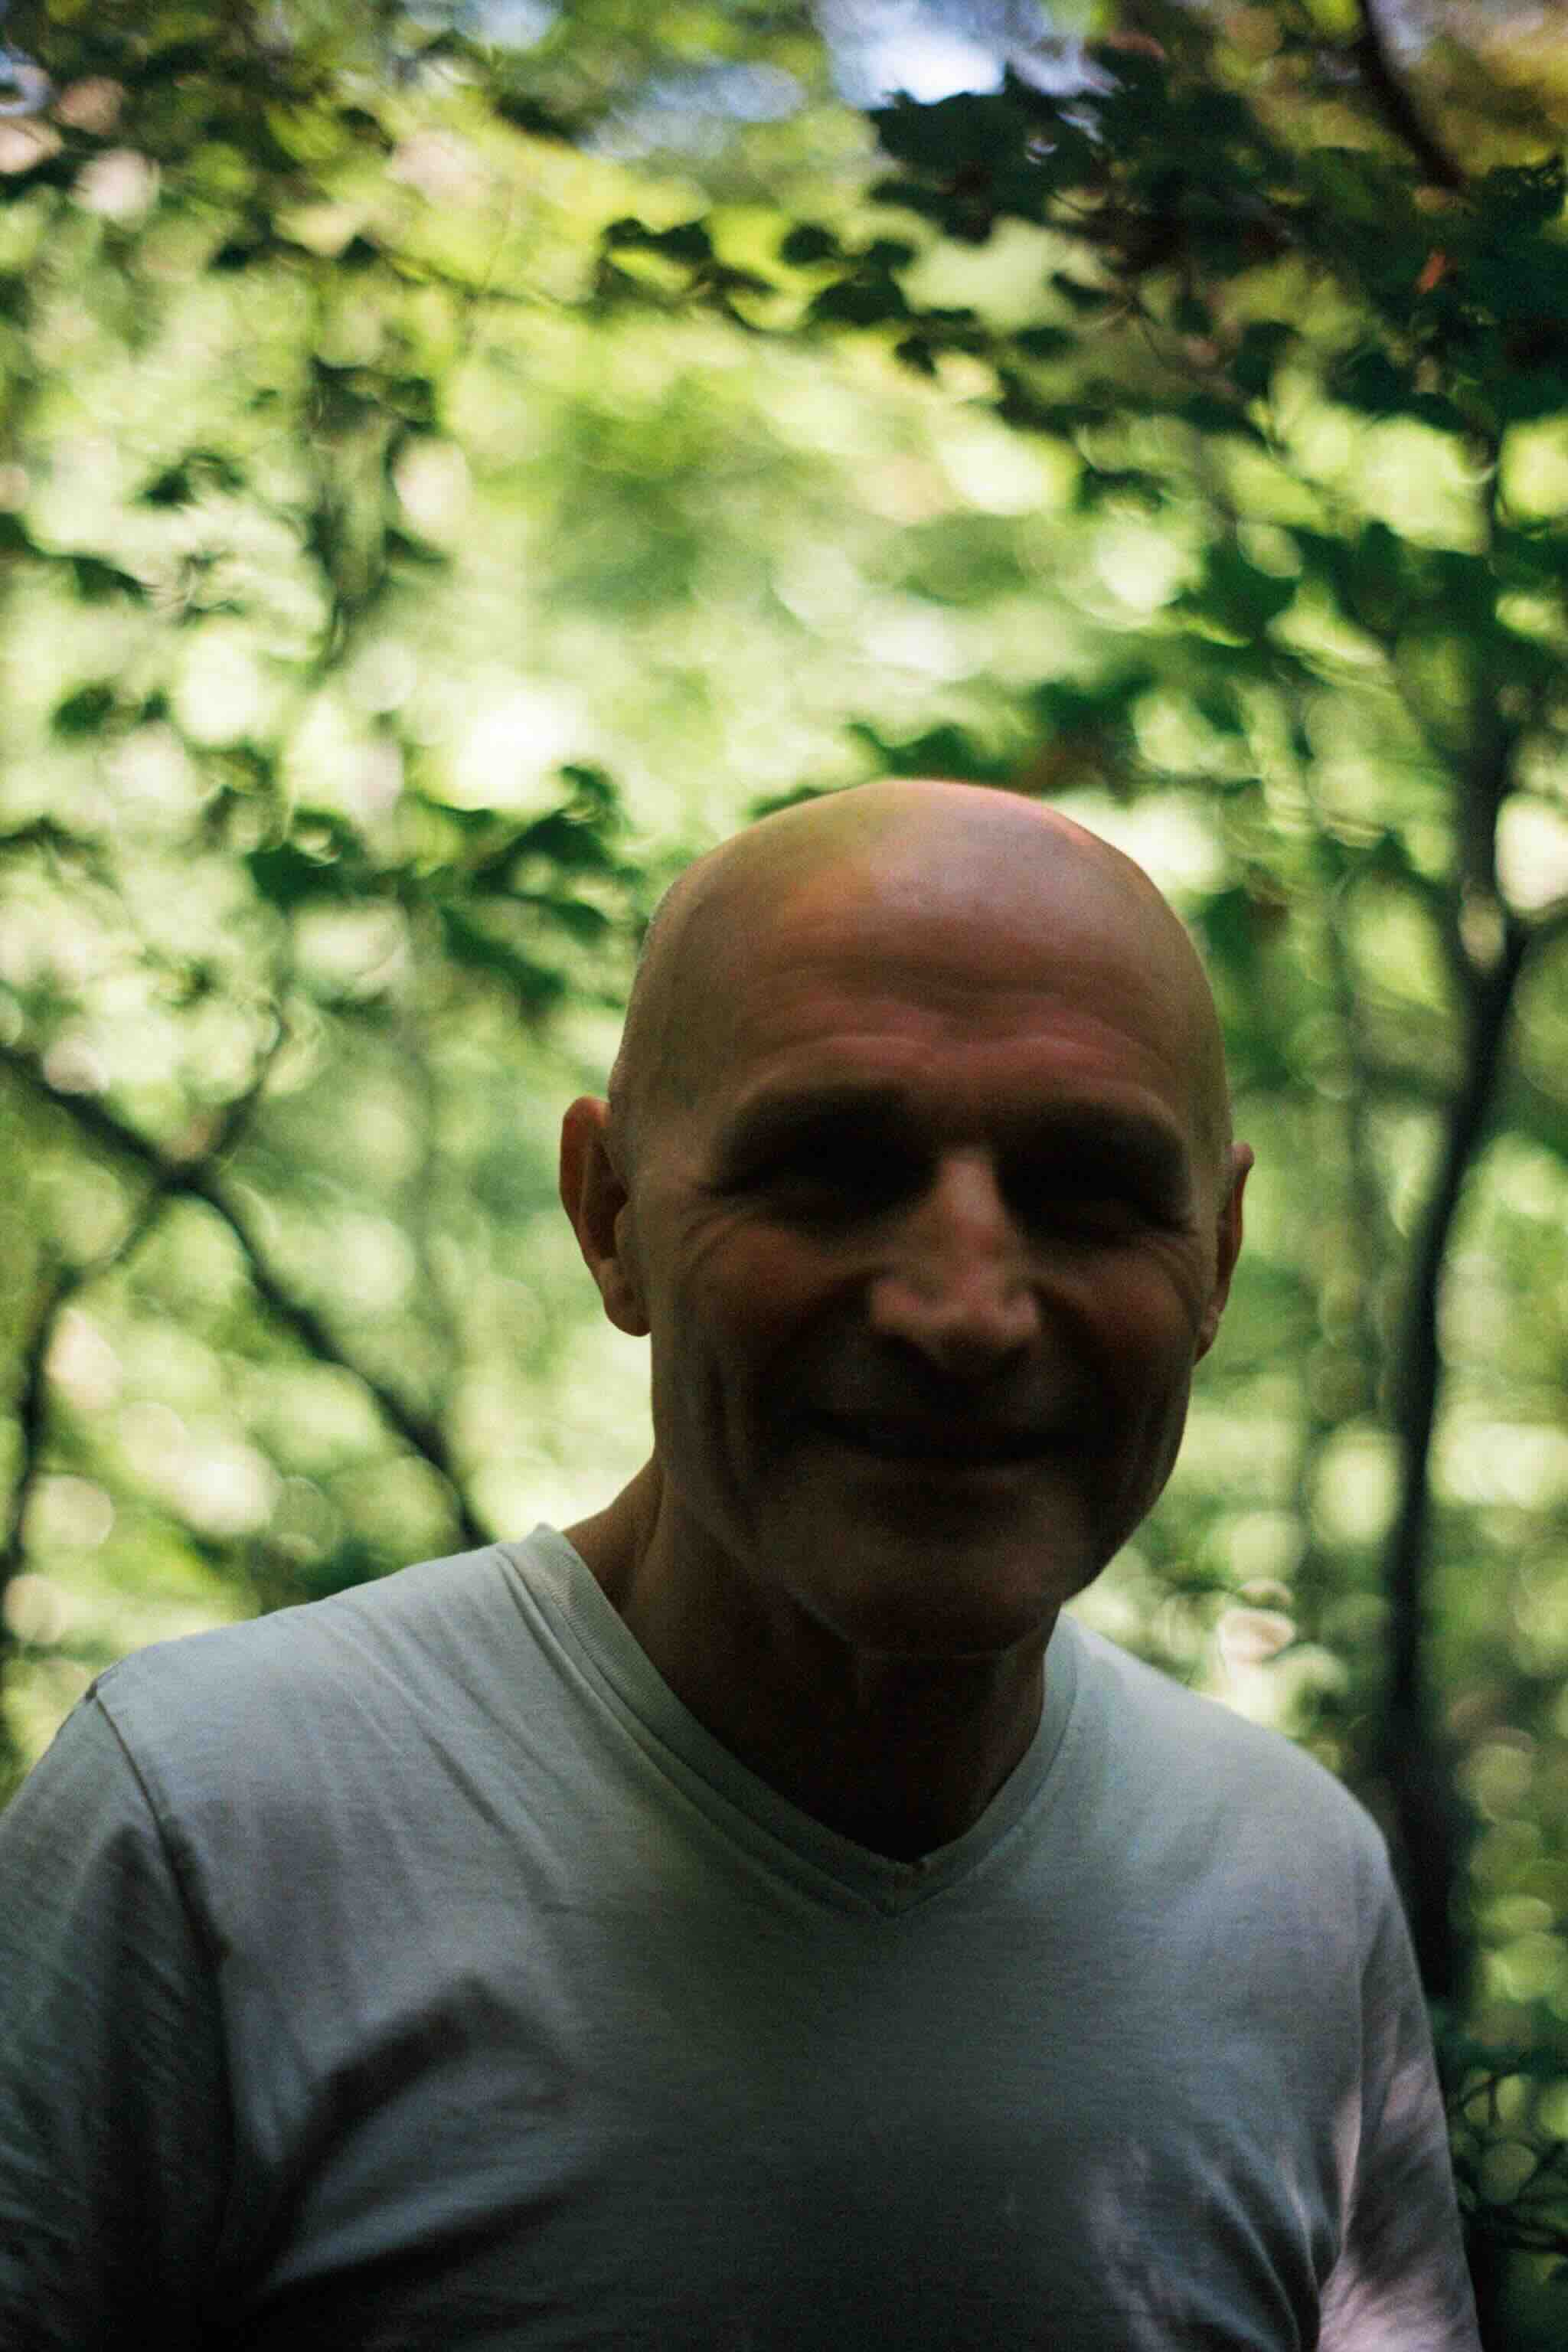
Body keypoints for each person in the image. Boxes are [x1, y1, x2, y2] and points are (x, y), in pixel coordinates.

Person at [0, 779, 1478, 2349]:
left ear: (1218, 1257)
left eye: (1088, 1192)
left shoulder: (1291, 1888)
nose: (965, 1313)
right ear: (612, 1217)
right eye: (829, 1171)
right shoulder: (211, 1834)